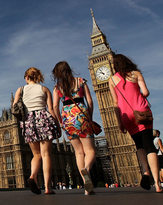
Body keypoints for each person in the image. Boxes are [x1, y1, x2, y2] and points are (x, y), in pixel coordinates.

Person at [108, 54, 162, 193]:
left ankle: (145, 171)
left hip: (126, 115)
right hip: (142, 113)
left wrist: (119, 122)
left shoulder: (112, 80)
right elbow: (146, 92)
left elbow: (115, 103)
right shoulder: (135, 74)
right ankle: (157, 183)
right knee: (149, 146)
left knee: (139, 146)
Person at [13, 67, 60, 195]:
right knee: (46, 155)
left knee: (36, 155)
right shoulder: (44, 89)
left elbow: (14, 107)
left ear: (27, 77)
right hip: (44, 119)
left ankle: (32, 176)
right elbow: (51, 109)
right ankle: (48, 188)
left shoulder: (20, 90)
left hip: (28, 121)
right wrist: (57, 125)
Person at [52, 61, 96, 195]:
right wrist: (90, 116)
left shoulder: (57, 87)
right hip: (82, 116)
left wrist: (60, 121)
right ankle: (87, 170)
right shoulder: (81, 81)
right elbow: (89, 100)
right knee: (90, 151)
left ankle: (86, 185)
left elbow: (54, 107)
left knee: (78, 153)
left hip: (67, 118)